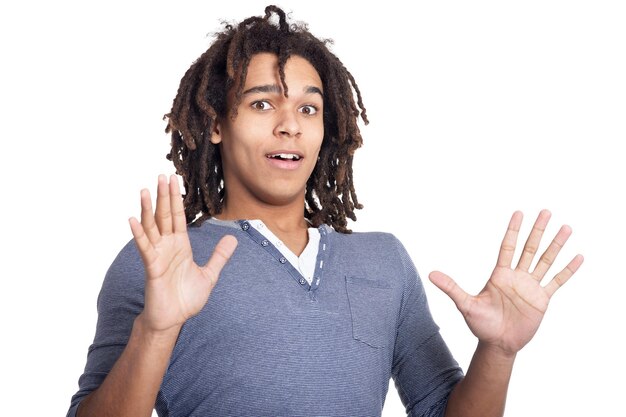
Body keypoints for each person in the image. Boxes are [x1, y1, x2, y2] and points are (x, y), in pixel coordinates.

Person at [67, 5, 583, 417]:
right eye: (262, 104)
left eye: (308, 108)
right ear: (217, 124)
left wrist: (499, 352)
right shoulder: (158, 264)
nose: (290, 124)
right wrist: (156, 331)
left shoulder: (384, 262)